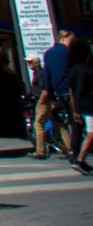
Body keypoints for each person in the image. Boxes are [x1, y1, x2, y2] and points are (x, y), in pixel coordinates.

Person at [35, 29, 80, 160]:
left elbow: (47, 75)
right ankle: (76, 151)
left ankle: (73, 149)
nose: (73, 43)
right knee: (76, 120)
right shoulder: (69, 52)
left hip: (58, 92)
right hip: (71, 90)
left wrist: (51, 94)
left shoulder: (48, 53)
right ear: (63, 39)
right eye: (71, 40)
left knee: (67, 121)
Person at [66, 39, 93, 174]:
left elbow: (71, 92)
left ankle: (79, 159)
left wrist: (75, 110)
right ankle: (80, 160)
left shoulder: (73, 70)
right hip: (90, 104)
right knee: (91, 133)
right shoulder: (89, 69)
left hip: (80, 105)